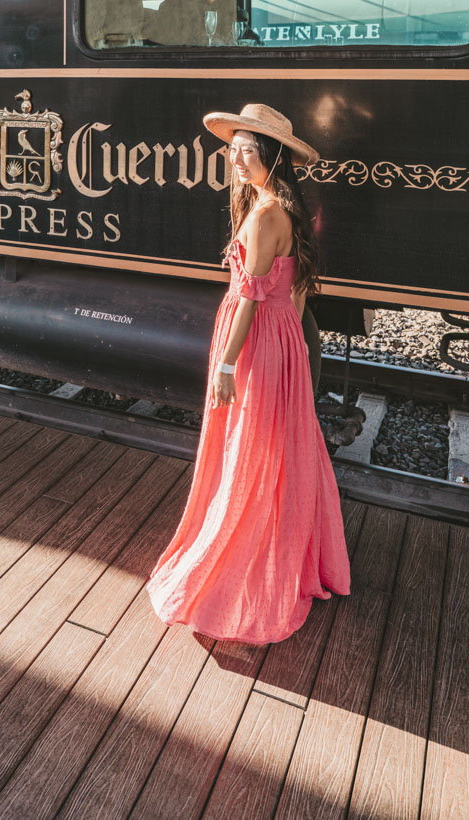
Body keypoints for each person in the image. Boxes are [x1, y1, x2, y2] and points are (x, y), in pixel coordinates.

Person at [147, 102, 350, 644]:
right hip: (279, 336)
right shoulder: (280, 207)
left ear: (272, 156)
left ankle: (253, 560)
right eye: (232, 150)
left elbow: (250, 300)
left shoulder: (264, 215)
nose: (235, 160)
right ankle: (288, 550)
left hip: (257, 339)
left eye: (247, 151)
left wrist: (228, 364)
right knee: (283, 444)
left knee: (252, 446)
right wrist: (297, 348)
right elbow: (297, 289)